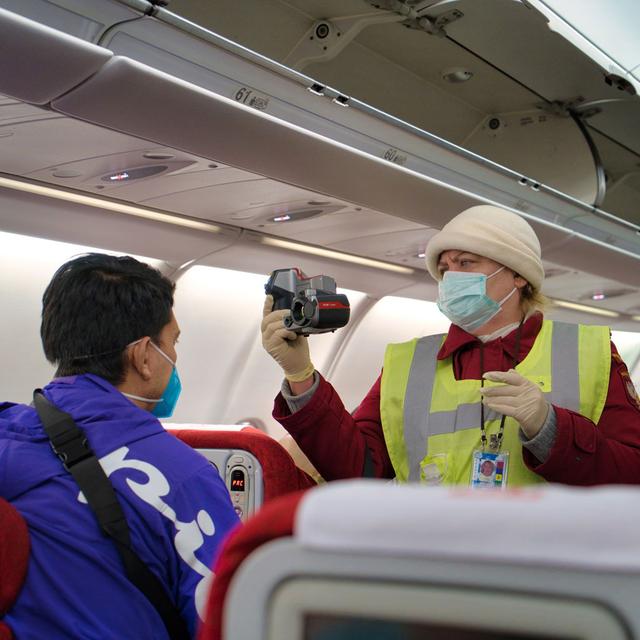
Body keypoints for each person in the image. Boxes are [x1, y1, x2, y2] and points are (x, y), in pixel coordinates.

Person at [261, 205, 640, 486]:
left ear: (518, 277)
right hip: (435, 573)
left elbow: (631, 474)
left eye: (466, 262)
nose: (450, 278)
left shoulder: (587, 351)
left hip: (544, 578)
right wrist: (300, 377)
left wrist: (552, 428)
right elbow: (360, 470)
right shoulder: (408, 362)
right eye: (444, 269)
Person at [0, 254, 240, 639]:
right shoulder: (182, 478)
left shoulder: (6, 436)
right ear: (144, 356)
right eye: (172, 342)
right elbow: (232, 619)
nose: (174, 358)